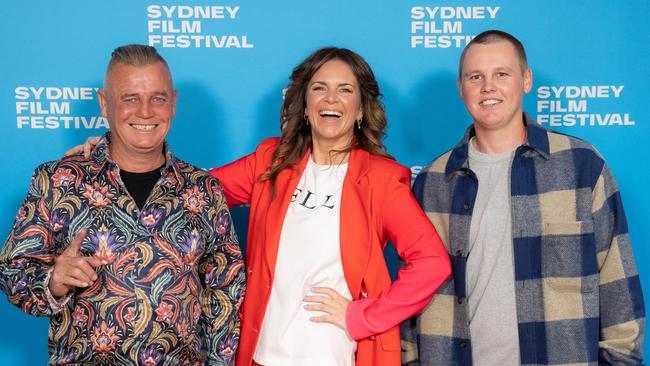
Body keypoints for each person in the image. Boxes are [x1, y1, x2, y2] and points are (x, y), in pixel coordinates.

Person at [68, 47, 452, 366]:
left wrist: (362, 317)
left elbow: (431, 261)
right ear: (304, 105)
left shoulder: (381, 180)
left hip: (333, 354)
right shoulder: (272, 162)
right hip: (261, 353)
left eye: (345, 90)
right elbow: (188, 188)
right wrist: (111, 154)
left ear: (361, 108)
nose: (331, 99)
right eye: (320, 88)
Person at [401, 30, 645, 365]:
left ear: (526, 80)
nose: (488, 87)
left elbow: (618, 283)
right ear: (461, 88)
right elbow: (410, 292)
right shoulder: (431, 182)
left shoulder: (580, 166)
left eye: (502, 74)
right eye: (476, 77)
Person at [0, 44, 245, 365]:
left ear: (173, 104)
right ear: (105, 104)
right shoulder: (57, 180)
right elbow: (12, 272)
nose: (145, 111)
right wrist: (53, 281)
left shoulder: (204, 188)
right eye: (130, 98)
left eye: (158, 98)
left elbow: (225, 291)